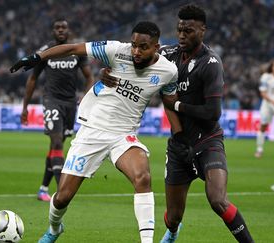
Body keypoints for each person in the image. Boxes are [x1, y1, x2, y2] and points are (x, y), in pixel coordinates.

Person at [10, 21, 180, 243]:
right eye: (134, 45)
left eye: (143, 47)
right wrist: (37, 57)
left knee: (143, 177)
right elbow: (72, 48)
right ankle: (54, 229)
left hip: (123, 135)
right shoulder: (116, 51)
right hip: (92, 131)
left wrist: (179, 136)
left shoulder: (168, 72)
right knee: (62, 198)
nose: (136, 52)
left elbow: (170, 103)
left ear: (156, 47)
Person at [100, 5, 254, 243]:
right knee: (172, 217)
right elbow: (134, 61)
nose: (182, 35)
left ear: (203, 30)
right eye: (180, 30)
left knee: (217, 200)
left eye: (189, 31)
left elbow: (213, 112)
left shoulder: (211, 63)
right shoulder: (169, 54)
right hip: (179, 147)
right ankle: (172, 233)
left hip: (208, 142)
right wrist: (107, 72)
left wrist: (178, 105)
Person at [20, 18, 95, 202]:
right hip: (51, 100)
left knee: (56, 146)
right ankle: (61, 191)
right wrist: (25, 106)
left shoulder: (76, 52)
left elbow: (89, 78)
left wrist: (85, 96)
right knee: (57, 144)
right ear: (53, 31)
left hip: (70, 104)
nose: (61, 30)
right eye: (57, 28)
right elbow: (32, 79)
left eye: (64, 28)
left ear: (68, 31)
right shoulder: (45, 52)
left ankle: (42, 189)